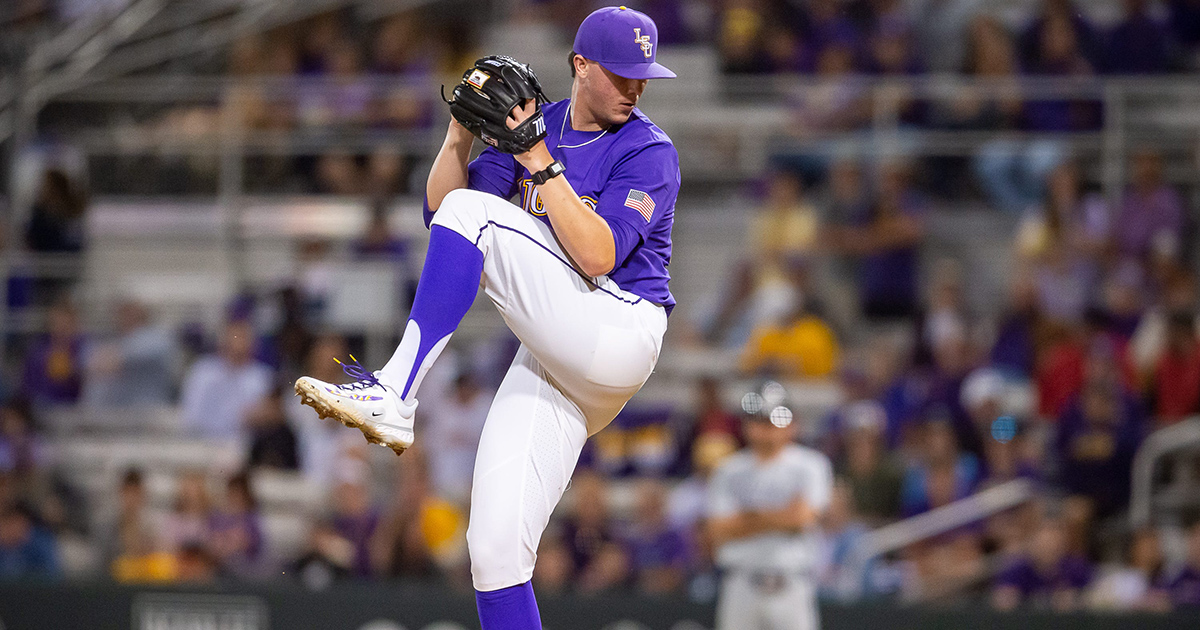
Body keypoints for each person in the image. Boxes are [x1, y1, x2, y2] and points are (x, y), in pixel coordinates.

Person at [293, 7, 678, 629]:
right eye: (622, 74)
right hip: (554, 355)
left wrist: (538, 161)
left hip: (618, 328)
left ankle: (395, 392)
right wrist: (457, 139)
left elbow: (600, 254)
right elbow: (444, 214)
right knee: (494, 551)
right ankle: (395, 394)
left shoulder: (649, 150)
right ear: (581, 67)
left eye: (643, 77)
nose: (635, 88)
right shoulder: (538, 125)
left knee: (480, 215)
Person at [707, 397, 833, 630]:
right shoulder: (729, 469)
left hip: (792, 584)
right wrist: (783, 515)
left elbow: (801, 519)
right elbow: (719, 529)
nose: (766, 429)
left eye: (775, 420)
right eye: (759, 421)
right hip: (741, 583)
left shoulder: (811, 464)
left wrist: (748, 517)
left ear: (793, 424)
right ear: (746, 424)